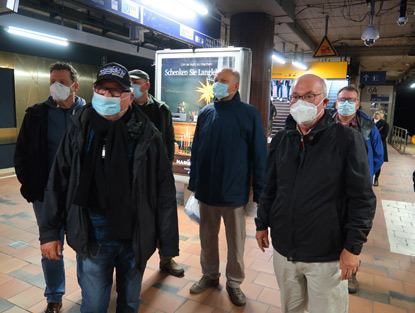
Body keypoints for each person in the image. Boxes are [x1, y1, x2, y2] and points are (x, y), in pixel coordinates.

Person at [38, 62, 179, 313]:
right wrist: (49, 233)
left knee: (129, 304)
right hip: (93, 237)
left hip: (135, 238)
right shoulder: (79, 130)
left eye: (115, 91)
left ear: (130, 96)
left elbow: (164, 192)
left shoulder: (148, 135)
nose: (107, 96)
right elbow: (57, 182)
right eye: (102, 89)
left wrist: (168, 243)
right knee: (93, 306)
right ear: (94, 91)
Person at [255, 74, 376, 313]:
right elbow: (269, 187)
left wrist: (352, 248)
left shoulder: (347, 140)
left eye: (309, 96)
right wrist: (262, 223)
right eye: (296, 97)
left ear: (325, 100)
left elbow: (362, 199)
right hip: (285, 251)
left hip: (326, 255)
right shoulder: (282, 140)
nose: (302, 102)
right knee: (292, 309)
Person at [188, 68, 267, 306]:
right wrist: (194, 184)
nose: (217, 84)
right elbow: (196, 151)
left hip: (234, 193)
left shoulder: (249, 113)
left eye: (223, 81)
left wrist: (260, 192)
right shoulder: (206, 112)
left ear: (235, 87)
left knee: (236, 243)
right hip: (207, 192)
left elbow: (259, 156)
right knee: (207, 239)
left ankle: (234, 283)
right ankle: (210, 275)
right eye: (215, 81)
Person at [14, 62, 85, 313]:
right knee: (50, 247)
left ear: (75, 86)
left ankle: (88, 291)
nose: (56, 87)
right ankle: (54, 297)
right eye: (52, 82)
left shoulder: (89, 115)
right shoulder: (36, 114)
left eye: (62, 83)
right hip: (46, 196)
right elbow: (21, 154)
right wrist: (31, 187)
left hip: (80, 195)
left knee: (84, 244)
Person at [128, 68, 183, 277]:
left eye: (136, 81)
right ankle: (132, 261)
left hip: (158, 173)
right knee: (136, 217)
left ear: (146, 85)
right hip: (134, 174)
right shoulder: (126, 106)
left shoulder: (161, 109)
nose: (132, 85)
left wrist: (166, 166)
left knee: (165, 217)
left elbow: (169, 139)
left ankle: (166, 259)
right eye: (129, 82)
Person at [333, 86, 383, 293]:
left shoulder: (368, 128)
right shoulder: (325, 123)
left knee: (354, 229)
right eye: (342, 99)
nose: (346, 103)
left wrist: (364, 175)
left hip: (356, 190)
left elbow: (378, 156)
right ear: (335, 103)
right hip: (331, 187)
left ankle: (352, 273)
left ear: (357, 103)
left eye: (351, 99)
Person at [373, 111, 389, 186]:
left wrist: (375, 135)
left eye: (377, 117)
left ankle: (376, 179)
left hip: (380, 145)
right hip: (370, 145)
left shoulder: (385, 124)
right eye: (374, 117)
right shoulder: (369, 122)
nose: (375, 118)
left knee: (378, 163)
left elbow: (384, 135)